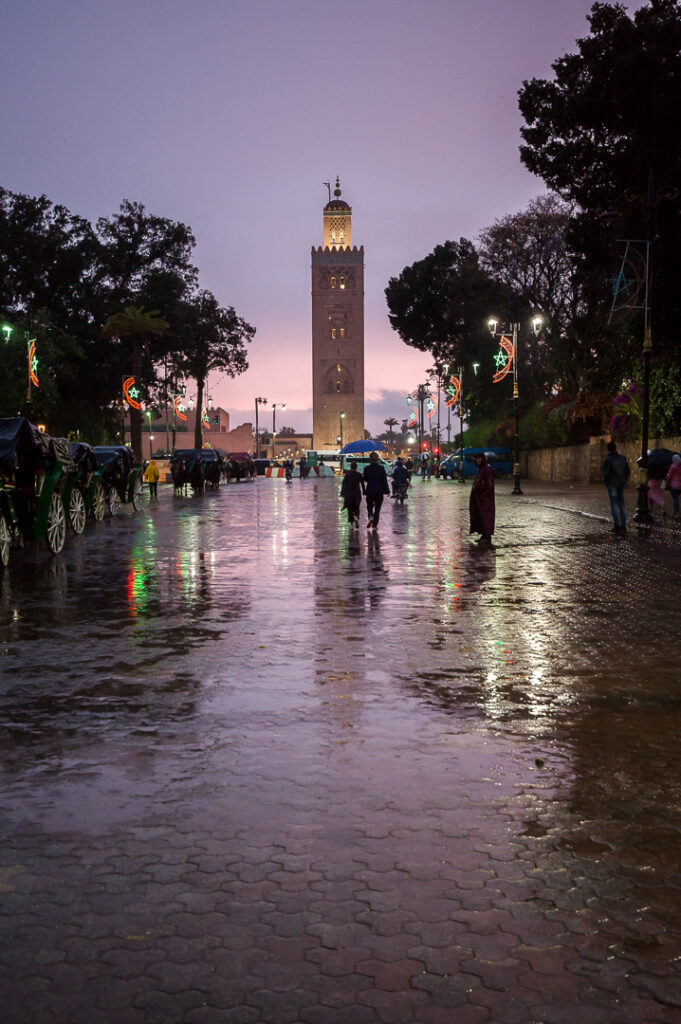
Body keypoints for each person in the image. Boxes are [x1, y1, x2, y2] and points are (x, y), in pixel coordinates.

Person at [602, 441, 630, 532]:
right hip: (622, 483)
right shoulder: (622, 458)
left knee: (614, 504)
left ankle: (617, 525)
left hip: (612, 483)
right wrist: (625, 480)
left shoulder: (608, 459)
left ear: (608, 449)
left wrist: (606, 483)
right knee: (621, 504)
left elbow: (606, 473)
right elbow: (628, 471)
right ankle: (623, 525)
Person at [469, 452, 495, 543]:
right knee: (480, 517)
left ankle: (487, 536)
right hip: (479, 500)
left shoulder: (487, 470)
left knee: (486, 517)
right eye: (476, 458)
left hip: (485, 500)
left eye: (479, 458)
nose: (477, 460)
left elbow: (489, 485)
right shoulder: (480, 470)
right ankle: (484, 535)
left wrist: (483, 495)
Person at [363, 451, 390, 530]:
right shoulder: (381, 468)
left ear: (370, 459)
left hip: (370, 490)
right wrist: (387, 490)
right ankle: (375, 525)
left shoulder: (367, 468)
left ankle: (370, 515)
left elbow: (366, 479)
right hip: (379, 491)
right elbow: (384, 480)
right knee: (377, 509)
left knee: (369, 505)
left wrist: (364, 475)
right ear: (377, 459)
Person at [340, 460, 365, 527]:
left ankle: (351, 524)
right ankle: (356, 517)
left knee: (350, 508)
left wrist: (343, 493)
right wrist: (364, 491)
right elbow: (362, 483)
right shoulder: (358, 474)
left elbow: (343, 483)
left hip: (349, 494)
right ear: (356, 467)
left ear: (350, 467)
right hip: (357, 493)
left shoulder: (347, 475)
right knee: (356, 507)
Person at [666, 453, 681, 519]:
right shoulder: (680, 467)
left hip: (674, 486)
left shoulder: (673, 466)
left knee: (675, 499)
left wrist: (666, 476)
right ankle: (676, 511)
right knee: (676, 498)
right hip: (680, 486)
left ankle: (677, 512)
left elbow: (669, 476)